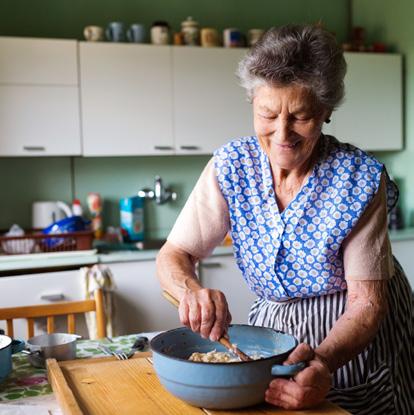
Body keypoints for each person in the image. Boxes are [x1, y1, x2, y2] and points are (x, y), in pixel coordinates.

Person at [156, 24, 413, 414]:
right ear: (252, 104)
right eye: (268, 114)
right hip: (275, 333)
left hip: (354, 336)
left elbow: (366, 304)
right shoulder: (231, 165)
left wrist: (323, 361)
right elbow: (174, 253)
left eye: (301, 116)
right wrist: (190, 290)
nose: (282, 133)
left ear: (325, 112)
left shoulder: (359, 179)